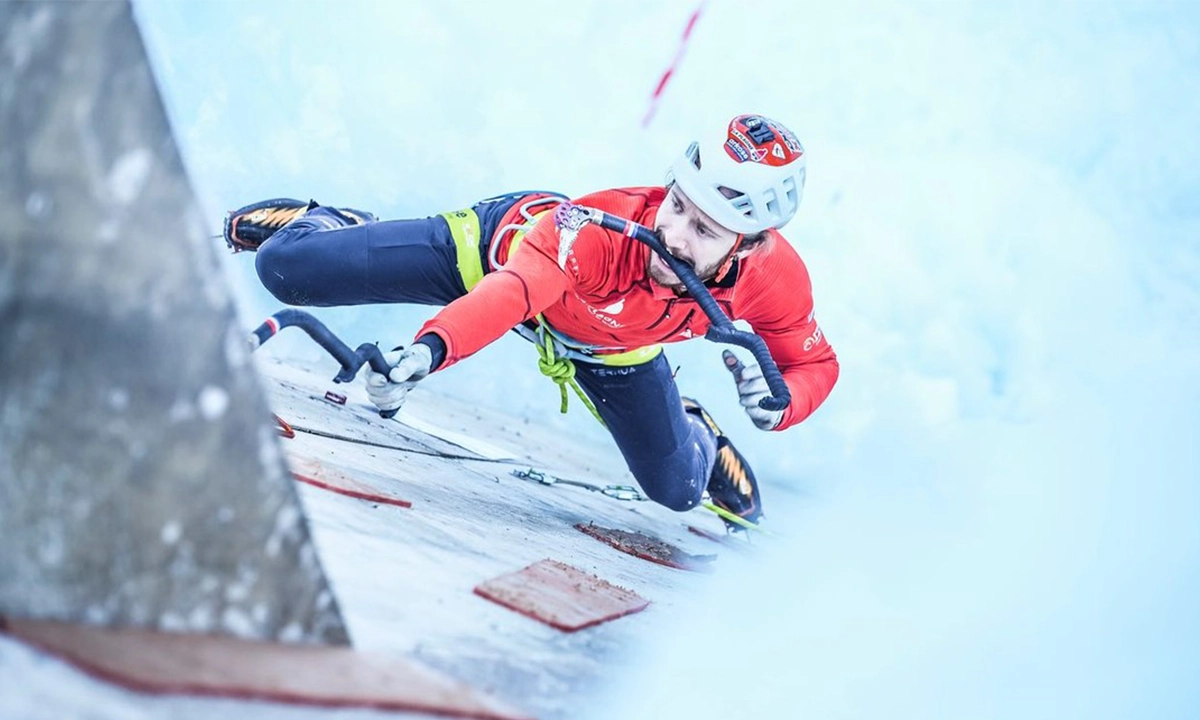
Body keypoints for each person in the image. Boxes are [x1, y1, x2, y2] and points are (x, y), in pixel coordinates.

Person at [224, 114, 839, 530]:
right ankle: (338, 224)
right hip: (496, 258)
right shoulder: (600, 229)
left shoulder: (775, 281)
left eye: (703, 229)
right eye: (676, 202)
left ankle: (694, 425)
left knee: (678, 490)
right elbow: (516, 291)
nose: (670, 234)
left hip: (613, 347)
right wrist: (431, 349)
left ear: (752, 243)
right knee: (286, 267)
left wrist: (782, 405)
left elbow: (814, 364)